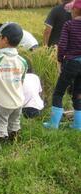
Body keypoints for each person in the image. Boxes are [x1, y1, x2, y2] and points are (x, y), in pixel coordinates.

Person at [44, 0, 81, 130]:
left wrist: (60, 60)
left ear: (75, 10)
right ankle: (77, 125)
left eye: (71, 10)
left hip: (71, 63)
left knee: (58, 93)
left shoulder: (69, 25)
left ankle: (53, 124)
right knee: (78, 93)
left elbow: (63, 44)